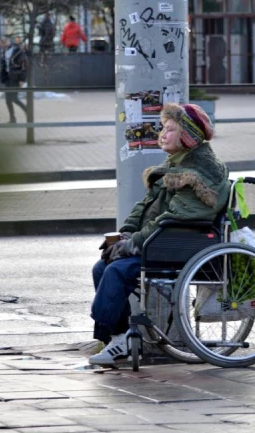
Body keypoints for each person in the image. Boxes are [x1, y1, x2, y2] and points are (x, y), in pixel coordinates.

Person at [89, 103, 230, 366]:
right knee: (103, 266)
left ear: (188, 135)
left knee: (116, 271)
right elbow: (145, 207)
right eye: (163, 129)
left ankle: (110, 336)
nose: (162, 134)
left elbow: (175, 218)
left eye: (169, 129)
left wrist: (134, 244)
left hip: (179, 245)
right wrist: (126, 234)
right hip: (162, 242)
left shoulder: (200, 171)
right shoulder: (175, 163)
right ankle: (118, 339)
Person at [0, 36, 28, 123]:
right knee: (8, 100)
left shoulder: (18, 51)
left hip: (15, 77)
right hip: (8, 77)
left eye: (1, 43)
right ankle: (12, 118)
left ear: (7, 42)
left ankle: (27, 111)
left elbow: (24, 66)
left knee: (14, 98)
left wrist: (22, 79)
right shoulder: (4, 52)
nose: (0, 45)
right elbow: (4, 66)